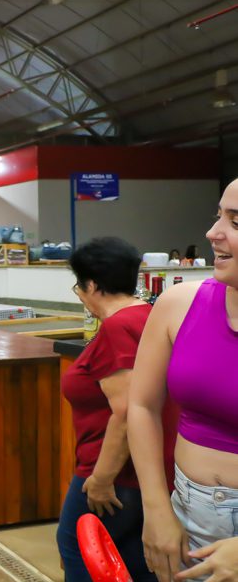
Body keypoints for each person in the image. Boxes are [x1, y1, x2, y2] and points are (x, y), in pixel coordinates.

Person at [128, 178, 238, 582]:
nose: (213, 233)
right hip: (189, 515)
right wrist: (156, 508)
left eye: (237, 221)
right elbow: (140, 406)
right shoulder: (180, 304)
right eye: (219, 215)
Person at [57, 236, 177, 582]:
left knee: (81, 554)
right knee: (134, 564)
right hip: (146, 475)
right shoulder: (149, 316)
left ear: (92, 285)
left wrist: (100, 479)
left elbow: (125, 413)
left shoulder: (118, 328)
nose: (80, 294)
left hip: (114, 478)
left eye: (79, 286)